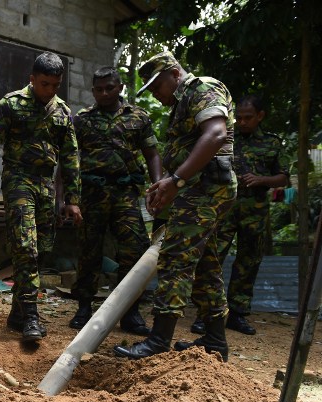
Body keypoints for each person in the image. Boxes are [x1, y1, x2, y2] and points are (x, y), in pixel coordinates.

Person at [113, 51, 236, 362]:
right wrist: (165, 185)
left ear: (175, 74)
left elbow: (216, 134)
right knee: (205, 265)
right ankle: (215, 341)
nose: (155, 94)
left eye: (157, 86)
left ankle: (158, 341)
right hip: (197, 190)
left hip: (205, 190)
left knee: (174, 259)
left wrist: (176, 180)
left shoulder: (202, 88)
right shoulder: (183, 103)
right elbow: (187, 150)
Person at [0, 52, 81, 345]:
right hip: (18, 180)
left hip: (46, 186)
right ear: (32, 79)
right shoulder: (10, 105)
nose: (50, 90)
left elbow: (70, 157)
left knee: (41, 250)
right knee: (25, 247)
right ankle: (31, 317)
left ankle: (18, 312)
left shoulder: (62, 112)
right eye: (45, 84)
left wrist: (72, 199)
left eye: (55, 85)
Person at [68, 66, 163, 335]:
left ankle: (129, 312)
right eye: (98, 89)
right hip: (92, 194)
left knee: (135, 249)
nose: (104, 93)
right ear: (93, 91)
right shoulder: (82, 119)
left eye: (109, 88)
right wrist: (65, 198)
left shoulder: (139, 117)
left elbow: (152, 154)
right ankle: (84, 307)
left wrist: (157, 186)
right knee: (89, 250)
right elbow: (69, 159)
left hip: (125, 193)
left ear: (120, 87)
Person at [189, 95, 290, 336]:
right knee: (212, 260)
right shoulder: (224, 138)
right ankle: (207, 314)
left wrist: (261, 180)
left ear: (260, 116)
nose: (243, 122)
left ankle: (237, 314)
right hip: (223, 209)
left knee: (248, 261)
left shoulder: (272, 143)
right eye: (239, 118)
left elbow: (284, 178)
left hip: (255, 212)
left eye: (248, 118)